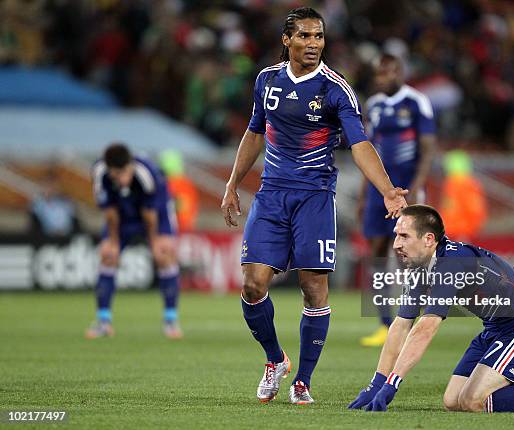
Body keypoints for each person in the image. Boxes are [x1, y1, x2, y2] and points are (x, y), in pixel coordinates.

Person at [220, 7, 408, 405]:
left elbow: (360, 145)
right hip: (271, 195)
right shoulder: (266, 81)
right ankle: (275, 361)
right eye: (304, 36)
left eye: (319, 37)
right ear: (286, 40)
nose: (313, 44)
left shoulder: (335, 89)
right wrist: (233, 184)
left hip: (315, 198)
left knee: (313, 289)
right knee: (253, 284)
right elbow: (255, 132)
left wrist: (389, 191)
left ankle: (303, 380)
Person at [348, 205, 514, 413]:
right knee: (453, 401)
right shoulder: (419, 265)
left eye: (403, 236)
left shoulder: (452, 263)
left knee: (472, 401)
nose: (395, 244)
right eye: (396, 235)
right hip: (495, 328)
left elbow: (425, 328)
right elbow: (402, 325)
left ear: (428, 239)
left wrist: (392, 385)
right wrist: (377, 383)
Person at [358, 54, 437, 347]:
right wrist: (366, 195)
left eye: (390, 71)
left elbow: (428, 149)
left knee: (409, 254)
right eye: (380, 73)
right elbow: (367, 149)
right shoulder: (373, 105)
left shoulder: (417, 102)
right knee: (377, 252)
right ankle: (384, 323)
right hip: (379, 191)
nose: (385, 77)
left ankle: (410, 322)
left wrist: (417, 187)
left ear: (400, 72)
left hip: (407, 188)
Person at [86, 143, 182, 339]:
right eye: (116, 175)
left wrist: (155, 242)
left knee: (164, 254)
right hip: (122, 214)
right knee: (107, 255)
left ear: (130, 166)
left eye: (124, 173)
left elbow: (150, 213)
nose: (121, 180)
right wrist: (113, 241)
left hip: (156, 212)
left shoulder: (147, 173)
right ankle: (103, 322)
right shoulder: (99, 173)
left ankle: (171, 321)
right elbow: (110, 212)